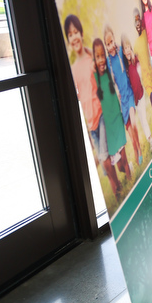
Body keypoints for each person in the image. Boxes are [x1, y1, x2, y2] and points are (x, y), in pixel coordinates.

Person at [63, 15, 118, 195]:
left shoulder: (91, 59)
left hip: (101, 114)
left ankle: (117, 186)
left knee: (103, 158)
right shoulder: (72, 69)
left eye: (76, 32)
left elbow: (104, 78)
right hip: (90, 121)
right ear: (68, 39)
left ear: (81, 33)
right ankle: (117, 188)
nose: (74, 37)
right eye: (70, 34)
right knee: (106, 160)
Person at [93, 37, 132, 198]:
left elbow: (117, 60)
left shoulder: (109, 70)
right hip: (107, 124)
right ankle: (124, 176)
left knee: (123, 159)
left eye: (103, 55)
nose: (101, 59)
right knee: (118, 164)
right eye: (98, 56)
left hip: (117, 119)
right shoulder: (95, 77)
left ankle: (131, 181)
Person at [105, 26, 142, 167]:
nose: (110, 45)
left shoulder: (121, 50)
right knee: (131, 135)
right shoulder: (109, 62)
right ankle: (136, 148)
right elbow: (111, 83)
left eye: (111, 41)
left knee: (134, 123)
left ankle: (139, 151)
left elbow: (130, 55)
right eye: (107, 44)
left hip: (129, 94)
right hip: (122, 102)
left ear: (114, 38)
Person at [133, 8, 152, 121]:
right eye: (136, 26)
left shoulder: (145, 34)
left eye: (139, 24)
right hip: (145, 73)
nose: (138, 27)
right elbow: (135, 61)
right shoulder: (136, 44)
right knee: (151, 95)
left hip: (151, 69)